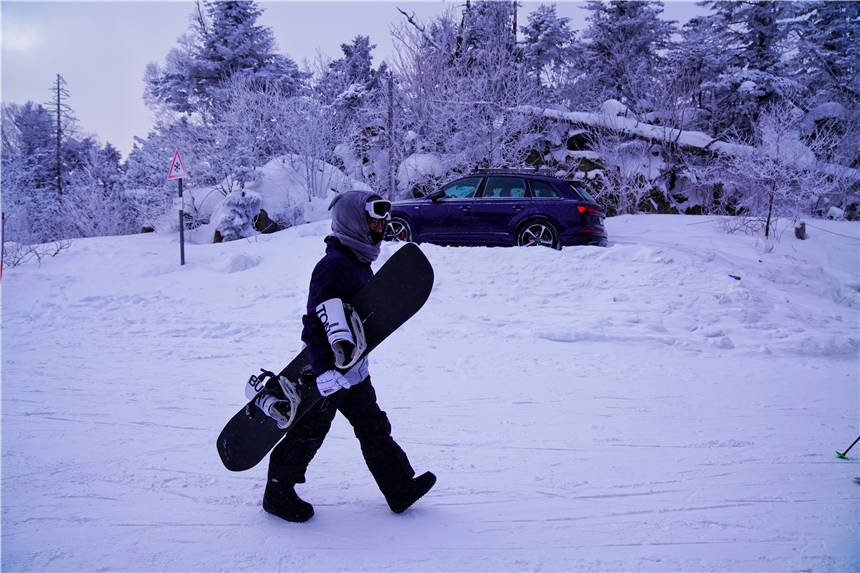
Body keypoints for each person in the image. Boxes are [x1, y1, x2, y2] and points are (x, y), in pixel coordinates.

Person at [255, 190, 436, 522]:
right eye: (373, 220)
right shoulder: (333, 266)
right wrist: (323, 370)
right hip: (327, 374)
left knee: (373, 425)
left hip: (353, 370)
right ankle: (277, 493)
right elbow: (313, 322)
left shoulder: (358, 261)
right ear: (353, 221)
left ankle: (398, 487)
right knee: (309, 432)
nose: (380, 226)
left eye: (382, 220)